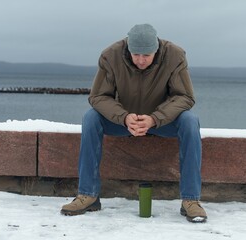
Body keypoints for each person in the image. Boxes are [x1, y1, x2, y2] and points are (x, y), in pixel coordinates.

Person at [61, 23, 207, 223]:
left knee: (190, 121)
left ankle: (191, 200)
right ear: (127, 47)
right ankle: (88, 195)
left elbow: (185, 97)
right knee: (90, 117)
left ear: (157, 49)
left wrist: (155, 118)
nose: (140, 60)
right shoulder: (110, 56)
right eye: (135, 54)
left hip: (161, 122)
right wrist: (124, 117)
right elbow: (98, 96)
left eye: (146, 55)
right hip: (123, 122)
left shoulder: (175, 56)